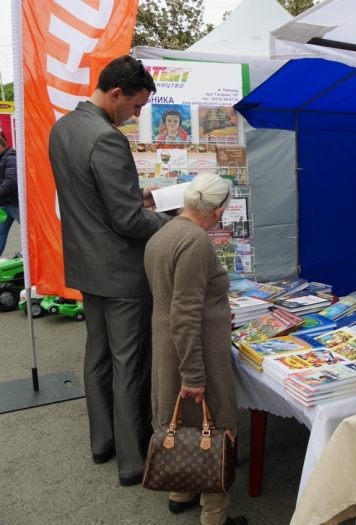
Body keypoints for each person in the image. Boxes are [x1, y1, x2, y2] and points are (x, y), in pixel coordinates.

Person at [48, 56, 172, 486]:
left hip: (86, 264)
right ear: (116, 93)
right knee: (131, 365)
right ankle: (134, 460)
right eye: (135, 107)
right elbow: (127, 221)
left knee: (98, 357)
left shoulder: (63, 128)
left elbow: (89, 195)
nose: (135, 116)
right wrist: (175, 222)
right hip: (121, 271)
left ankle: (103, 442)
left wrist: (138, 195)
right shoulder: (107, 138)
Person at [144, 173, 246, 525]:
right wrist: (194, 374)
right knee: (213, 428)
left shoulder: (163, 233)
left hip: (170, 347)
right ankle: (214, 516)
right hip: (194, 350)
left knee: (180, 422)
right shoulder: (195, 243)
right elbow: (186, 311)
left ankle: (180, 492)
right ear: (218, 210)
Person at [0, 136, 19, 257]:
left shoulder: (11, 158)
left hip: (14, 204)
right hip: (4, 204)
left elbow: (10, 181)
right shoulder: (3, 159)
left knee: (31, 233)